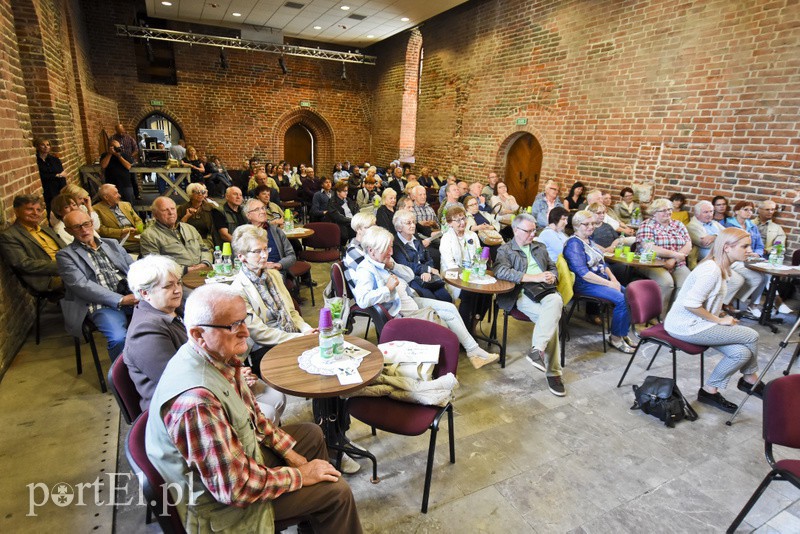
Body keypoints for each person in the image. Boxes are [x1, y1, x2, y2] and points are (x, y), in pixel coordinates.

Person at [145, 283, 363, 533]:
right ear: (198, 334)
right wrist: (301, 476)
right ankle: (323, 508)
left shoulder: (220, 358)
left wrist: (290, 455)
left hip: (239, 460)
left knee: (311, 434)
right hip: (222, 508)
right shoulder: (196, 403)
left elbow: (253, 417)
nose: (246, 333)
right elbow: (235, 488)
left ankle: (313, 521)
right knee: (336, 492)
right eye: (233, 326)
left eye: (244, 321)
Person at [353, 226, 499, 369]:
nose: (391, 252)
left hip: (411, 301)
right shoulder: (366, 270)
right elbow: (363, 300)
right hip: (404, 313)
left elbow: (410, 275)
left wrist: (393, 266)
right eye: (386, 248)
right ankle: (473, 351)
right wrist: (387, 289)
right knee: (449, 316)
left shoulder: (384, 262)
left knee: (450, 307)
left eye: (391, 247)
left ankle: (472, 350)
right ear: (371, 250)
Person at [664, 228, 763, 414]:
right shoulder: (711, 271)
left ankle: (709, 391)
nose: (749, 250)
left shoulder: (721, 267)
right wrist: (719, 320)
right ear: (726, 247)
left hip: (700, 323)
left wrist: (719, 319)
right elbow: (691, 305)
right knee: (751, 335)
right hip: (685, 326)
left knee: (741, 353)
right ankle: (751, 379)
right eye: (745, 246)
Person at [494, 213, 565, 396]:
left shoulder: (539, 247)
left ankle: (537, 350)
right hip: (521, 292)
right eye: (529, 231)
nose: (533, 234)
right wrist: (534, 277)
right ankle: (554, 374)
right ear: (516, 230)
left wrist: (552, 276)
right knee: (551, 321)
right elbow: (501, 271)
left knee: (556, 301)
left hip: (544, 289)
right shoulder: (506, 250)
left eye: (535, 230)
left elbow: (552, 266)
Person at [57, 210, 136, 361]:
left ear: (92, 223)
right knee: (119, 338)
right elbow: (81, 286)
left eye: (86, 224)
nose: (84, 229)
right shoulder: (65, 255)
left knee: (169, 320)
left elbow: (134, 268)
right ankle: (123, 380)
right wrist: (121, 300)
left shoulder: (111, 244)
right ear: (68, 231)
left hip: (132, 296)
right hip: (101, 304)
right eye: (76, 227)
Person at [564, 211, 635, 353]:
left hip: (600, 280)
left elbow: (603, 264)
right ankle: (615, 338)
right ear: (577, 226)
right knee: (622, 299)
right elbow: (584, 273)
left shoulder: (589, 240)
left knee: (630, 294)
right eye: (587, 224)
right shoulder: (574, 244)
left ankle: (622, 333)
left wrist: (614, 280)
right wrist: (610, 284)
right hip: (584, 284)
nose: (592, 227)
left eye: (593, 224)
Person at [635, 198, 692, 315]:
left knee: (688, 283)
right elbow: (649, 247)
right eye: (663, 210)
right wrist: (674, 254)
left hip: (676, 263)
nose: (668, 212)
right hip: (652, 263)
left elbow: (688, 244)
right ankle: (658, 317)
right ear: (654, 212)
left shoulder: (678, 225)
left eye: (670, 209)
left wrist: (673, 260)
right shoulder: (647, 225)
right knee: (667, 283)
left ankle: (674, 316)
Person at [0, 194, 66, 292]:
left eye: (38, 210)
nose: (35, 213)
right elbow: (23, 264)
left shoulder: (46, 230)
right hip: (49, 279)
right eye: (30, 209)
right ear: (17, 211)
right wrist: (63, 266)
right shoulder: (9, 235)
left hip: (68, 270)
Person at [439, 207, 491, 328]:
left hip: (472, 273)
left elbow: (478, 256)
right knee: (469, 292)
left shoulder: (472, 235)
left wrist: (477, 269)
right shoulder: (446, 238)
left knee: (487, 293)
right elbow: (449, 263)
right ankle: (464, 329)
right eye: (457, 220)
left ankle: (474, 321)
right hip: (453, 275)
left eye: (463, 218)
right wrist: (465, 275)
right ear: (450, 223)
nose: (462, 222)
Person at [140, 197, 212, 275]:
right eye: (165, 210)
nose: (171, 212)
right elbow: (155, 265)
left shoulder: (189, 228)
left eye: (173, 208)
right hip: (176, 278)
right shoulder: (149, 236)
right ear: (155, 215)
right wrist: (186, 270)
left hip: (203, 272)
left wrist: (204, 263)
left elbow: (205, 249)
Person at [723, 201, 770, 317]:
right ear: (737, 211)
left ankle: (751, 305)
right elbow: (727, 245)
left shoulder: (752, 226)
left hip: (750, 259)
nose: (749, 212)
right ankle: (727, 302)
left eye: (751, 210)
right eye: (746, 209)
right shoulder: (728, 224)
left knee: (766, 276)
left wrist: (757, 254)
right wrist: (746, 252)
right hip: (734, 259)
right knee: (757, 277)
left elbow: (760, 246)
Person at [392, 210, 451, 302]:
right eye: (408, 223)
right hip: (412, 278)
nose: (413, 225)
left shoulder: (415, 238)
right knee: (432, 300)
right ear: (399, 227)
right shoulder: (396, 245)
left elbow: (428, 257)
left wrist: (428, 270)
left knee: (446, 297)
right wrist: (427, 269)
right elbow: (405, 266)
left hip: (426, 274)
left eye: (413, 222)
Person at [243, 199, 296, 274]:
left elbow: (291, 256)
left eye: (263, 208)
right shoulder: (243, 234)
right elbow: (238, 259)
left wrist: (279, 265)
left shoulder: (277, 231)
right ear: (248, 215)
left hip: (276, 272)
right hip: (253, 272)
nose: (263, 212)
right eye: (257, 209)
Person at [93, 183, 142, 254]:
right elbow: (101, 229)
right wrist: (122, 231)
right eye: (115, 193)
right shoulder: (96, 209)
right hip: (118, 240)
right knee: (149, 246)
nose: (119, 195)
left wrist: (138, 228)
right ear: (106, 197)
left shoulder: (126, 204)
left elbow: (138, 220)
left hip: (135, 236)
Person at [177, 183, 220, 249]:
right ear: (190, 194)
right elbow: (176, 228)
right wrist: (186, 216)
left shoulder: (211, 207)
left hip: (206, 240)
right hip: (188, 240)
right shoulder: (182, 208)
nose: (200, 194)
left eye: (203, 192)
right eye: (197, 192)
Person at [34, 138, 67, 215]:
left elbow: (62, 175)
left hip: (56, 188)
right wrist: (56, 175)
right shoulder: (36, 161)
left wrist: (63, 190)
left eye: (48, 145)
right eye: (43, 145)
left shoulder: (55, 160)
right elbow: (41, 176)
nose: (46, 147)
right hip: (45, 189)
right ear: (37, 146)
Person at [101, 139, 135, 203]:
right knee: (112, 203)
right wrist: (110, 154)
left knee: (128, 204)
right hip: (111, 184)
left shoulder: (124, 155)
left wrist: (118, 156)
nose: (117, 149)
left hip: (125, 184)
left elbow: (128, 166)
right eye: (115, 147)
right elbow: (103, 165)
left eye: (118, 147)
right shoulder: (105, 155)